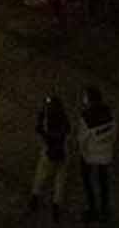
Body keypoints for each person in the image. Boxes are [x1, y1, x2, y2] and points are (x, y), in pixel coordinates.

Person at [28, 88, 70, 220]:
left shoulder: (46, 121)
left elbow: (39, 130)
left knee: (41, 175)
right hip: (62, 151)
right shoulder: (63, 118)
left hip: (48, 152)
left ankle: (35, 197)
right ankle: (56, 205)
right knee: (59, 180)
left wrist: (42, 115)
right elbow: (68, 130)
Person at [75, 87, 116, 223]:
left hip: (90, 155)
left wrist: (83, 153)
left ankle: (93, 209)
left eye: (85, 97)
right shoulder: (108, 112)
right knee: (104, 182)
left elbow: (82, 139)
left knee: (88, 183)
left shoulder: (86, 117)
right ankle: (105, 209)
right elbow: (114, 132)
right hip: (105, 154)